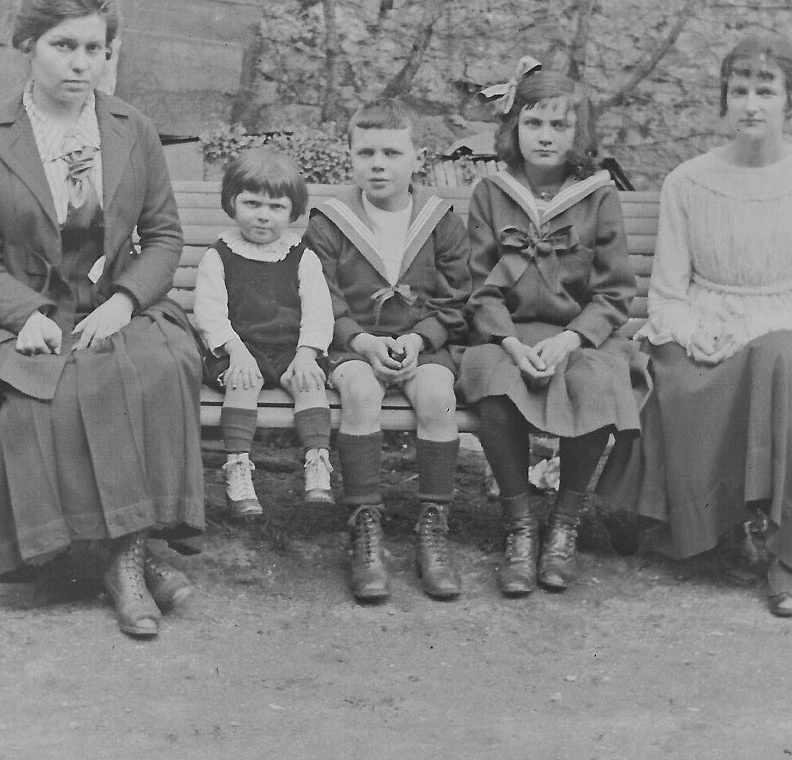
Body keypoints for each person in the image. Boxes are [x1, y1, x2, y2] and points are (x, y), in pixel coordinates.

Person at [0, 0, 206, 640]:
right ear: (28, 46)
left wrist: (126, 301)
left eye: (95, 48)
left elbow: (165, 236)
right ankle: (119, 561)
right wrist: (25, 315)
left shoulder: (132, 129)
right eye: (63, 45)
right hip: (29, 310)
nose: (81, 63)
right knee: (40, 395)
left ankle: (124, 559)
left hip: (114, 300)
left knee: (158, 367)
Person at [600, 34, 792, 618]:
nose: (751, 105)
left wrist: (754, 329)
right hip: (708, 329)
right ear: (724, 99)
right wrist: (693, 332)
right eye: (739, 91)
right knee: (680, 372)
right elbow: (667, 297)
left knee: (779, 359)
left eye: (766, 91)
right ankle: (720, 529)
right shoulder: (688, 182)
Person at [458, 59, 649, 597]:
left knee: (595, 382)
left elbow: (614, 291)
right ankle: (519, 524)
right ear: (514, 128)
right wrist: (510, 343)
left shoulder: (597, 195)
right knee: (495, 382)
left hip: (578, 335)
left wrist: (571, 339)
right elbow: (480, 287)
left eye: (560, 125)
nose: (545, 136)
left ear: (578, 134)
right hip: (510, 332)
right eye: (534, 123)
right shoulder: (492, 193)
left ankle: (565, 522)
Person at [305, 99, 472, 603]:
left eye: (392, 153)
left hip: (422, 344)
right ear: (350, 157)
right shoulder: (330, 221)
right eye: (366, 153)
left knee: (439, 396)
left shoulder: (440, 220)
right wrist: (360, 339)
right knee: (359, 391)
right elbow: (319, 294)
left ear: (418, 158)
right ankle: (365, 524)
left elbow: (457, 298)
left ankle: (433, 525)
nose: (378, 164)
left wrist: (421, 338)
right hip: (353, 344)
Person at [194, 147, 335, 518]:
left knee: (309, 381)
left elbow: (319, 312)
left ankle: (317, 462)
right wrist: (235, 351)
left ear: (293, 211)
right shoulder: (219, 255)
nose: (263, 215)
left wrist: (307, 353)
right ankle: (238, 467)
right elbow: (209, 313)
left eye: (276, 207)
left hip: (290, 349)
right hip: (239, 348)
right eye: (252, 203)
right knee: (243, 380)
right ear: (232, 202)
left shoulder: (301, 256)